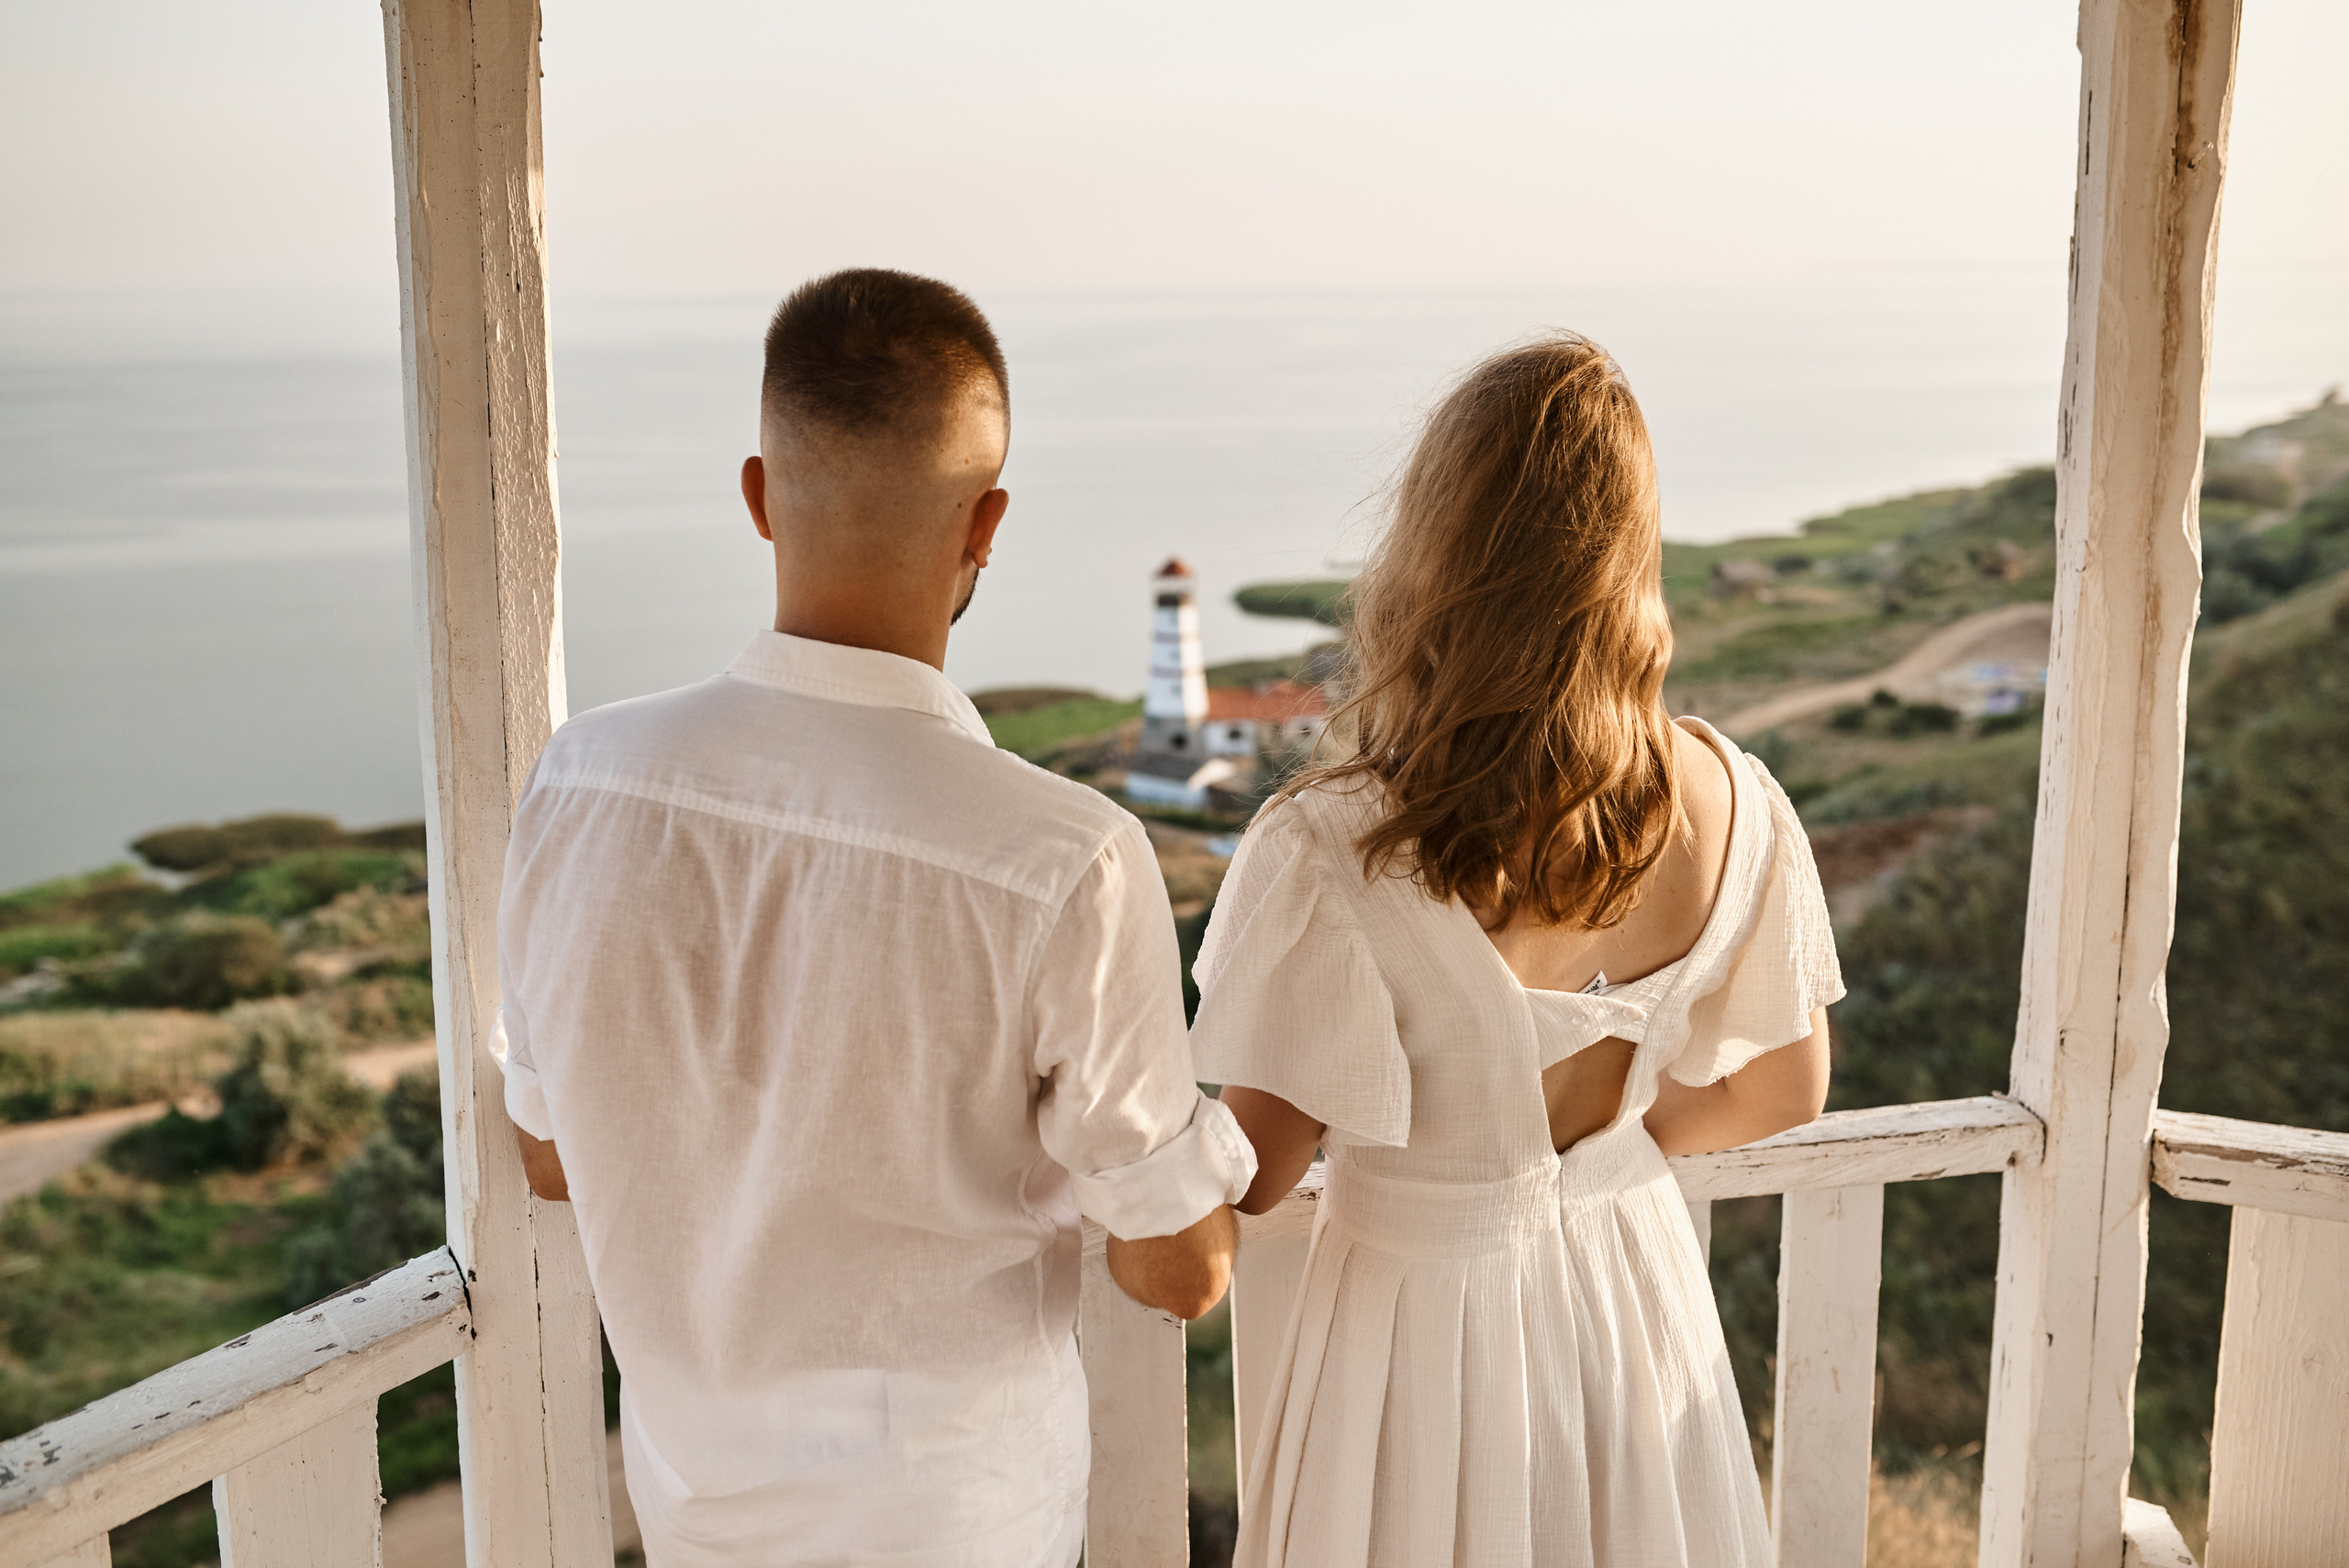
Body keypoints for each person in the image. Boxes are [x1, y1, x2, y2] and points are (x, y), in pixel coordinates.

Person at [492, 268, 1255, 1568]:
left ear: (758, 496)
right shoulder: (1066, 858)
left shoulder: (578, 785)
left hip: (696, 1517)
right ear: (986, 524)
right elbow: (1177, 1272)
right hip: (960, 1525)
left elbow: (550, 1155)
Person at [1194, 335, 1842, 1567]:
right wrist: (1600, 1154)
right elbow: (1782, 1088)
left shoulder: (1334, 842)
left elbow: (1259, 1170)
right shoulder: (1731, 800)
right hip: (1635, 1297)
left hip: (1419, 1330)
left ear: (1435, 554)